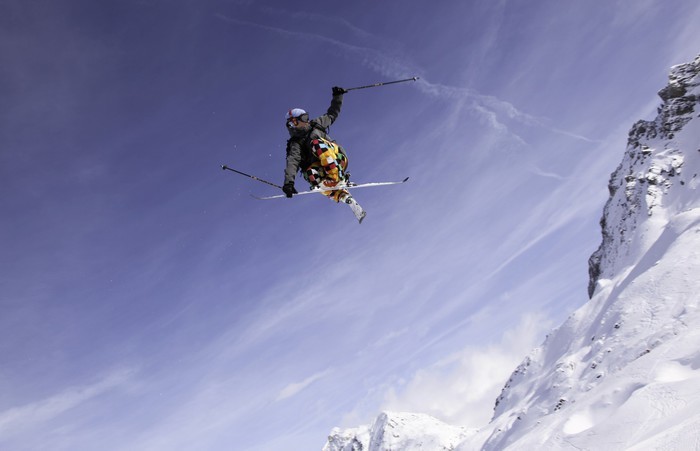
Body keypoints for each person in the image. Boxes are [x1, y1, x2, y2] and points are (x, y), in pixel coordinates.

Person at [283, 86, 366, 222]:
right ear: (291, 125)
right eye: (296, 122)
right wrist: (289, 183)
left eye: (304, 118)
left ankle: (337, 178)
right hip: (322, 169)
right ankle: (343, 196)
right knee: (309, 173)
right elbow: (292, 161)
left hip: (336, 158)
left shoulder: (316, 124)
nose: (303, 122)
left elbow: (332, 114)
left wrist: (338, 97)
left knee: (316, 143)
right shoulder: (295, 143)